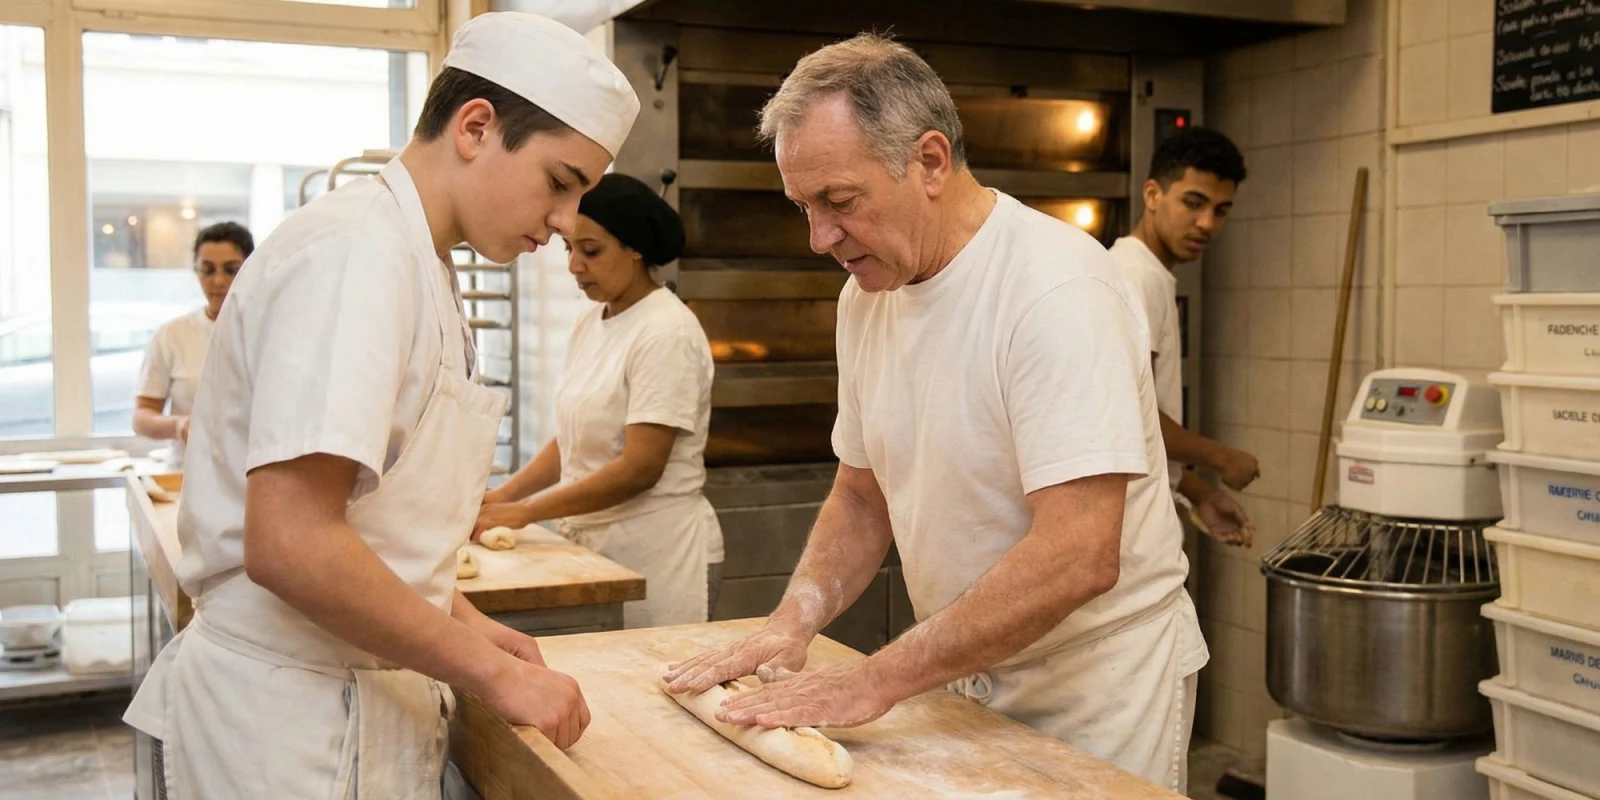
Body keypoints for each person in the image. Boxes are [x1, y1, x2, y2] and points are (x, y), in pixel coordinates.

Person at [663, 34, 1206, 793]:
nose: (819, 239)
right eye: (802, 207)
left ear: (929, 161)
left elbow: (1081, 552)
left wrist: (876, 679)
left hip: (1096, 690)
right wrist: (793, 621)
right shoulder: (866, 298)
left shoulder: (1055, 289)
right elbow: (862, 493)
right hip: (963, 672)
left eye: (839, 202)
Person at [122, 12, 639, 798]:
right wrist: (492, 679)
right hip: (288, 727)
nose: (565, 220)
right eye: (561, 183)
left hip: (347, 702)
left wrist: (472, 628)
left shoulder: (417, 259)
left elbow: (377, 526)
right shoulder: (356, 255)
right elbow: (292, 541)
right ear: (475, 127)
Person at [473, 172, 724, 628]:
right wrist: (497, 499)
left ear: (636, 248)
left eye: (591, 251)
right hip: (595, 544)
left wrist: (524, 513)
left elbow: (640, 468)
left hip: (657, 551)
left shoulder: (665, 331)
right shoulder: (591, 324)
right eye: (569, 248)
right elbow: (572, 439)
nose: (574, 265)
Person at [1111, 128, 1258, 548]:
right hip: (1127, 526)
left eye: (1221, 210)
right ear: (1153, 195)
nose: (1207, 223)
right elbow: (1131, 412)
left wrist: (1199, 491)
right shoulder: (1138, 278)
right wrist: (1220, 457)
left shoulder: (1145, 273)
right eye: (1193, 203)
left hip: (1142, 510)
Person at [132, 221, 253, 469]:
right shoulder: (172, 336)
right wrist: (178, 426)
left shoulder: (269, 332)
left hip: (252, 479)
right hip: (186, 476)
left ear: (250, 269)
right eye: (207, 270)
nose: (218, 281)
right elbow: (142, 417)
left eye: (231, 270)